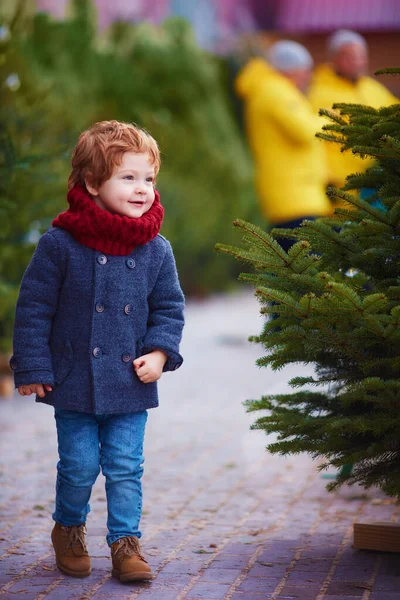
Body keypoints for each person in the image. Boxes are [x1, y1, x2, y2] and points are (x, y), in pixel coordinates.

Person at [9, 120, 185, 582]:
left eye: (148, 178)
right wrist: (31, 365)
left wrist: (161, 354)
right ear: (92, 183)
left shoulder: (156, 250)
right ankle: (68, 528)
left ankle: (126, 544)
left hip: (130, 381)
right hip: (74, 381)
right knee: (80, 465)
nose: (142, 189)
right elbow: (33, 310)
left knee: (126, 467)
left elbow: (169, 308)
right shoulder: (60, 245)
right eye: (128, 178)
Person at [235, 40, 331, 249]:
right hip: (294, 197)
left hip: (298, 194)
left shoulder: (273, 90)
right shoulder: (275, 92)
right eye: (306, 70)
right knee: (306, 268)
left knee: (298, 269)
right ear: (292, 70)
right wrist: (332, 118)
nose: (308, 77)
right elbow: (306, 131)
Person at [308, 29, 398, 188]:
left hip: (378, 183)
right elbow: (313, 139)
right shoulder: (318, 93)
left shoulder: (372, 88)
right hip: (340, 185)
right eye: (349, 57)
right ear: (333, 59)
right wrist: (327, 178)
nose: (357, 61)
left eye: (361, 56)